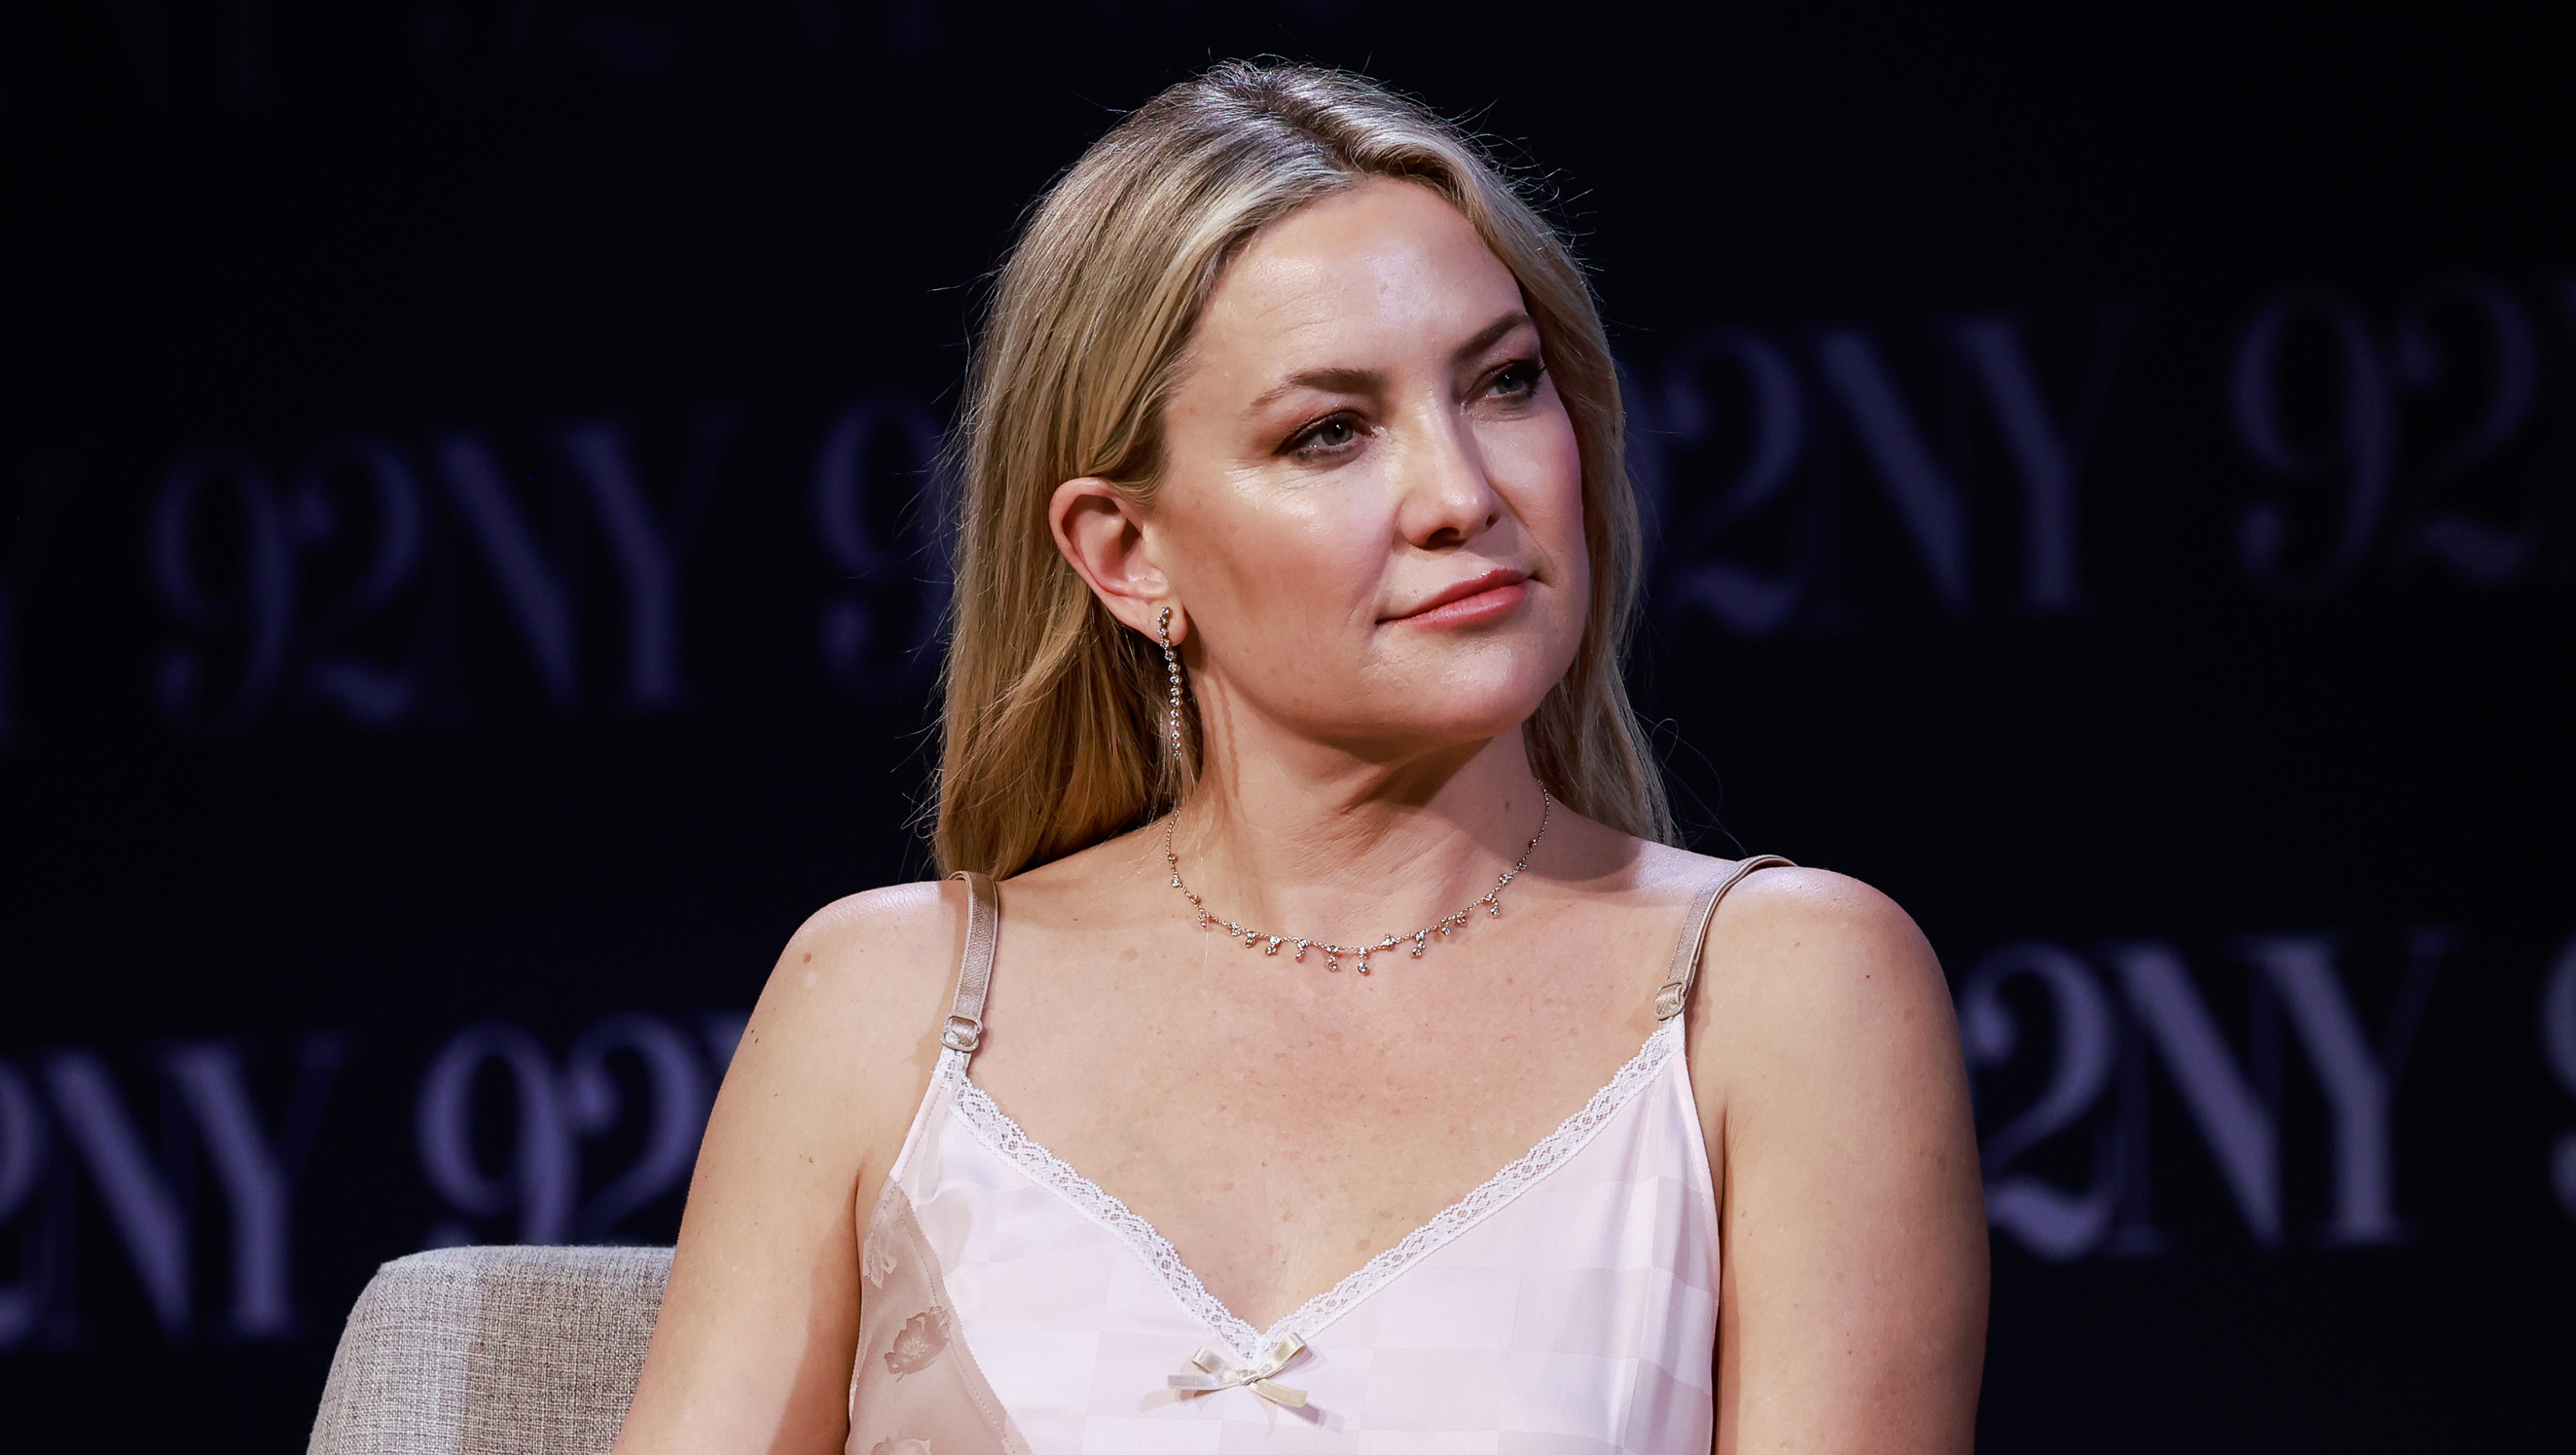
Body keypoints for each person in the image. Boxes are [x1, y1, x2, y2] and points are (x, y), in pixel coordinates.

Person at [614, 61, 1985, 1455]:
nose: (1462, 495)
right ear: (1127, 553)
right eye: (1329, 433)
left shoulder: (1784, 994)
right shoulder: (881, 1003)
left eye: (1504, 384)